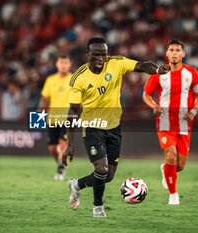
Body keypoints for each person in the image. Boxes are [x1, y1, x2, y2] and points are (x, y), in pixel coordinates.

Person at [62, 37, 170, 217]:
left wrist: (158, 70)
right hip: (92, 127)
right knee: (102, 169)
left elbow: (143, 66)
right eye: (95, 55)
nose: (100, 59)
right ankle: (98, 208)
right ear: (87, 55)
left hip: (114, 127)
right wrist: (69, 143)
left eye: (103, 55)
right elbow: (73, 111)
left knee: (109, 175)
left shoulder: (116, 63)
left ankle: (76, 185)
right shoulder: (78, 78)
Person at [143, 39, 198, 205]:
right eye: (172, 50)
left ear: (183, 53)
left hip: (184, 124)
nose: (175, 52)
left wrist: (193, 112)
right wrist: (154, 106)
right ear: (167, 53)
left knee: (179, 165)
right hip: (164, 123)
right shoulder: (159, 73)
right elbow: (146, 94)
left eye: (178, 50)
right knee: (171, 156)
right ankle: (173, 195)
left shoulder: (192, 73)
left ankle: (166, 169)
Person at [38, 54, 72, 181]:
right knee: (53, 148)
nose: (63, 65)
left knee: (62, 145)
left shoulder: (74, 79)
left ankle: (60, 169)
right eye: (61, 63)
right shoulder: (50, 80)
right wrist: (39, 112)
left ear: (70, 64)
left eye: (66, 62)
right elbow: (45, 99)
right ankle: (60, 162)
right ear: (57, 64)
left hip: (68, 119)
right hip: (52, 119)